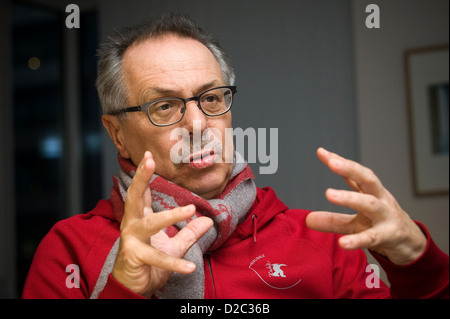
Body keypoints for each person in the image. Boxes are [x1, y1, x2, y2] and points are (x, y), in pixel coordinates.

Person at [22, 13, 448, 299]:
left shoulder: (327, 246)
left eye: (211, 98)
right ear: (117, 135)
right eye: (165, 106)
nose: (197, 124)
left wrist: (418, 262)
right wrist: (125, 289)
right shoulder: (68, 252)